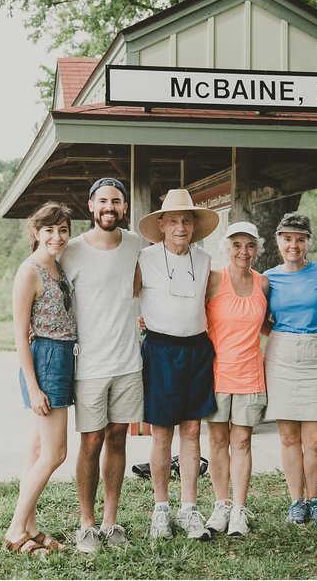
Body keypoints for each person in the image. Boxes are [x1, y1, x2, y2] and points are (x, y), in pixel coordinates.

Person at [58, 177, 148, 553]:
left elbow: (146, 289)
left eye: (116, 201)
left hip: (129, 361)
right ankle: (86, 524)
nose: (109, 207)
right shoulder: (71, 252)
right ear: (91, 206)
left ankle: (111, 522)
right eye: (103, 201)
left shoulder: (139, 247)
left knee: (117, 437)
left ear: (124, 208)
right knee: (91, 441)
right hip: (89, 364)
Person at [133, 189, 219, 542]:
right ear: (162, 225)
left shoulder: (205, 260)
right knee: (162, 433)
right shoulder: (144, 258)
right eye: (174, 221)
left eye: (187, 220)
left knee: (192, 431)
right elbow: (123, 296)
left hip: (197, 350)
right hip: (161, 350)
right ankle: (161, 509)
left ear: (194, 225)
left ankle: (189, 509)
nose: (181, 227)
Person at [3, 201, 75, 556]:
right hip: (45, 360)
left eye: (63, 230)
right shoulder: (29, 271)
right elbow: (19, 334)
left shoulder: (59, 267)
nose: (57, 237)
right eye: (49, 230)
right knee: (55, 452)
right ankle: (16, 529)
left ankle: (29, 524)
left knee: (36, 449)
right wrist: (33, 387)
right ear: (36, 232)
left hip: (63, 357)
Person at [263, 212, 317, 525]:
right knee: (289, 436)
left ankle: (314, 500)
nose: (294, 245)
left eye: (300, 239)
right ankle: (295, 501)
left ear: (308, 242)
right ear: (278, 241)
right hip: (281, 353)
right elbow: (257, 318)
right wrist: (281, 336)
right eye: (288, 238)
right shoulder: (268, 278)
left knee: (316, 438)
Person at [203, 222, 269, 537]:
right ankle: (222, 505)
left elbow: (270, 323)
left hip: (250, 374)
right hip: (216, 372)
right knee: (217, 441)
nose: (243, 252)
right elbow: (188, 310)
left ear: (257, 249)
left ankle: (240, 509)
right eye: (237, 245)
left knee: (242, 441)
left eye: (249, 245)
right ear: (227, 248)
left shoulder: (263, 283)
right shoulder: (214, 279)